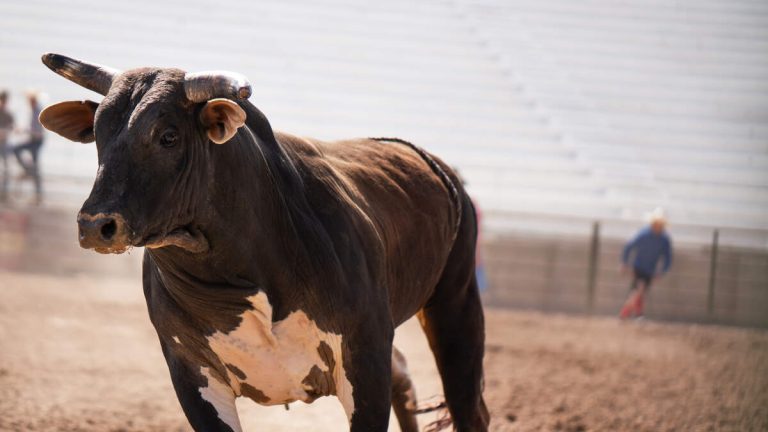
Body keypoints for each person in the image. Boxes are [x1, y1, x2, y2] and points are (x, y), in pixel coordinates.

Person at [619, 207, 673, 319]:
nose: (658, 226)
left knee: (639, 291)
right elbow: (629, 246)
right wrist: (625, 262)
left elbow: (668, 257)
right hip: (638, 267)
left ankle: (633, 313)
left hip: (650, 270)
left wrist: (662, 271)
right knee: (640, 289)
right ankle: (629, 312)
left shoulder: (664, 239)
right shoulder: (643, 234)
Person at [12, 91, 44, 204]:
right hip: (31, 140)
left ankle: (38, 194)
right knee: (15, 149)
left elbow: (38, 131)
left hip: (37, 141)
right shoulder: (31, 110)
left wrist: (24, 130)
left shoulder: (38, 111)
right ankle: (27, 169)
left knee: (35, 168)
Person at [0, 90, 13, 202]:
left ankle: (4, 192)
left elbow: (11, 127)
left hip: (4, 144)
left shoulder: (8, 114)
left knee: (6, 169)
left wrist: (5, 133)